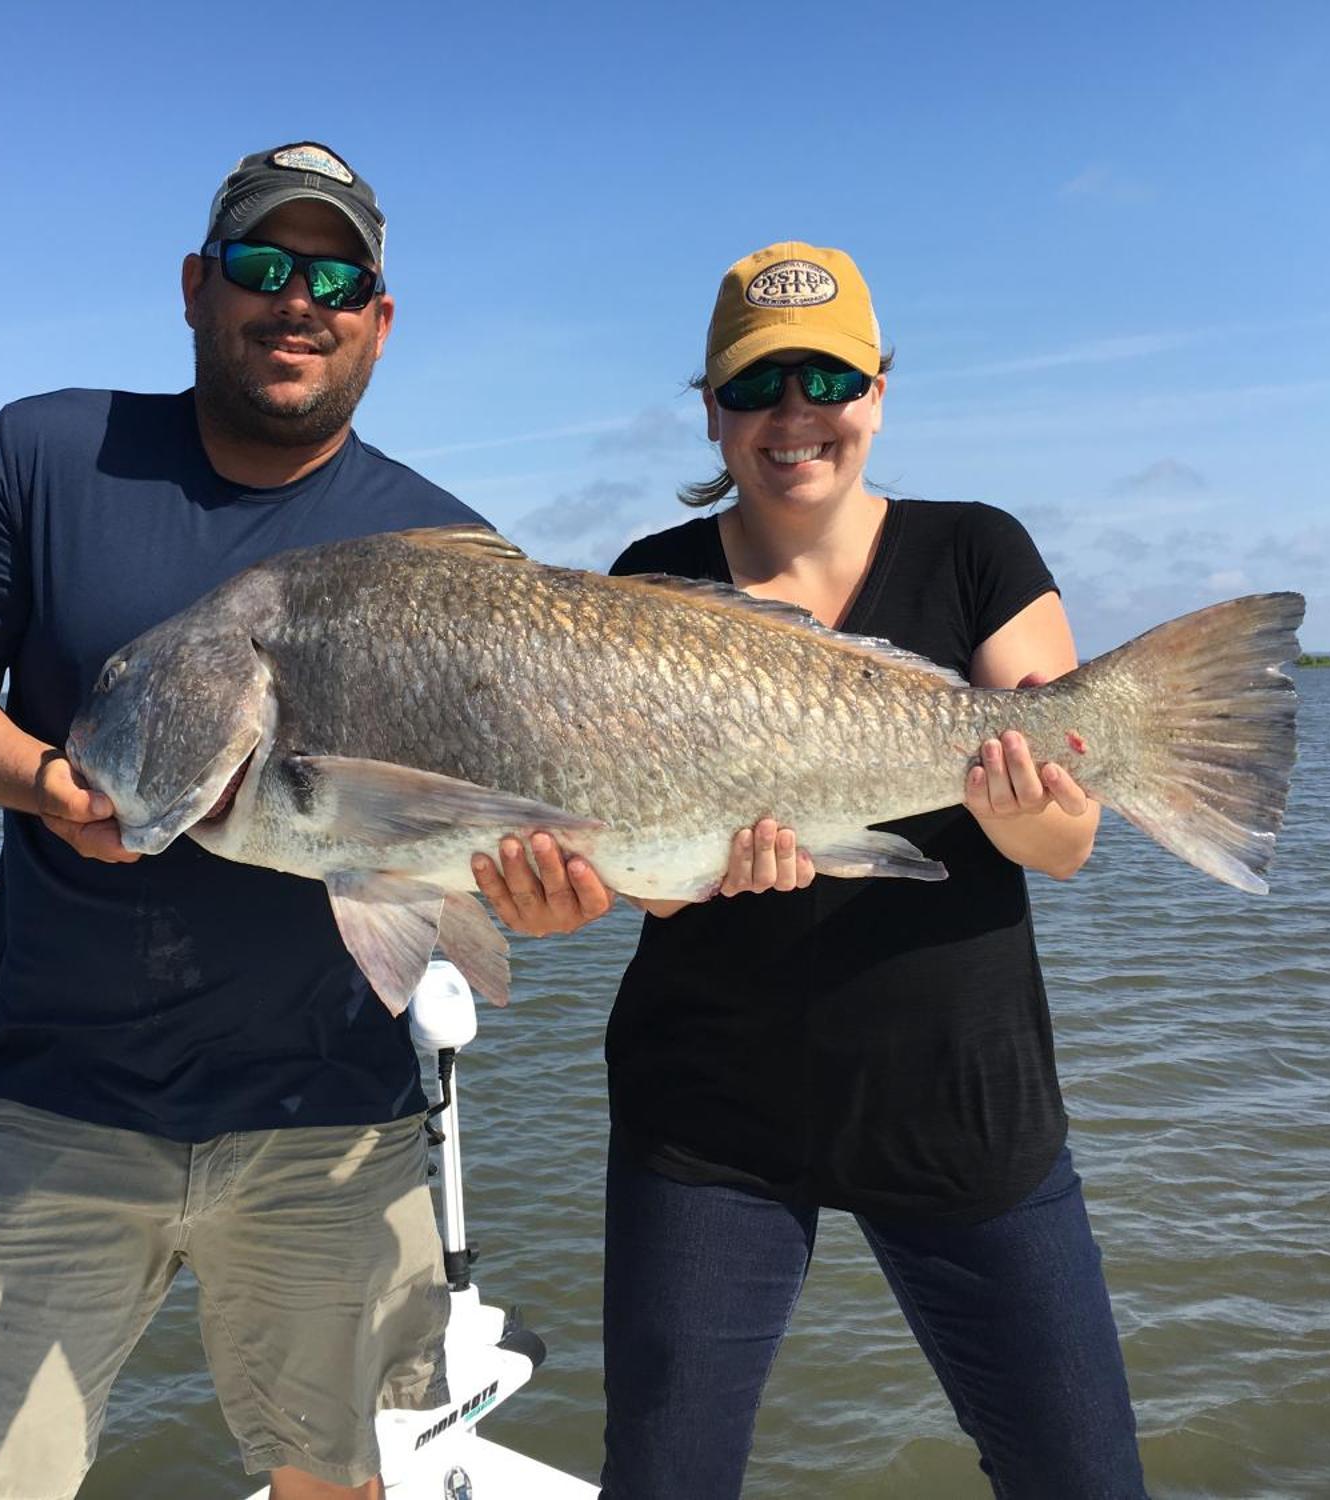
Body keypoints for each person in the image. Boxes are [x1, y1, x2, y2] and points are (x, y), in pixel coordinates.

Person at [0, 141, 547, 1500]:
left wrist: (533, 891)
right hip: (56, 1107)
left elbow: (486, 834)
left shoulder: (453, 548)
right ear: (196, 285)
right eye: (260, 264)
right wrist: (39, 779)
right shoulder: (47, 453)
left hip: (331, 1125)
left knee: (332, 1477)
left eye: (337, 277)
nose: (297, 301)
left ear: (380, 318)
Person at [480, 243, 1148, 1498]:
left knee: (1082, 1477)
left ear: (879, 392)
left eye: (825, 376)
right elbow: (653, 883)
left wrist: (1009, 800)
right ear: (711, 412)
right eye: (755, 384)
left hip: (962, 1105)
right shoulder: (644, 582)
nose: (792, 414)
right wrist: (574, 887)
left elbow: (1068, 844)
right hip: (708, 1120)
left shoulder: (974, 550)